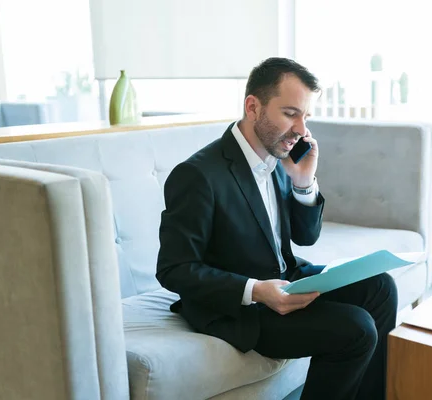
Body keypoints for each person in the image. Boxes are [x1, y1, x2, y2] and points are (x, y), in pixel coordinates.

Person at [156, 57, 398, 400]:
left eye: (305, 116)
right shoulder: (198, 175)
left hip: (284, 280)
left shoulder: (279, 158)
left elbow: (305, 237)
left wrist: (304, 181)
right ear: (253, 107)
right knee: (356, 329)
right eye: (290, 113)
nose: (302, 129)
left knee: (380, 286)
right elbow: (173, 269)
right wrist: (256, 290)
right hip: (240, 306)